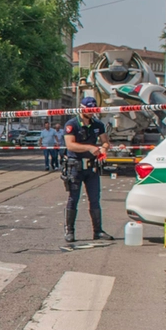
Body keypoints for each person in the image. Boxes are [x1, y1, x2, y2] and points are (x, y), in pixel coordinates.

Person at [62, 97, 114, 243]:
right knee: (73, 198)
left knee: (95, 199)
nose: (91, 112)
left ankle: (98, 231)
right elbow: (70, 145)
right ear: (82, 108)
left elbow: (105, 141)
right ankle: (69, 231)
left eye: (94, 110)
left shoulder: (98, 124)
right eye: (89, 109)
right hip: (75, 166)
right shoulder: (71, 124)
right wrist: (90, 147)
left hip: (91, 167)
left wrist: (104, 148)